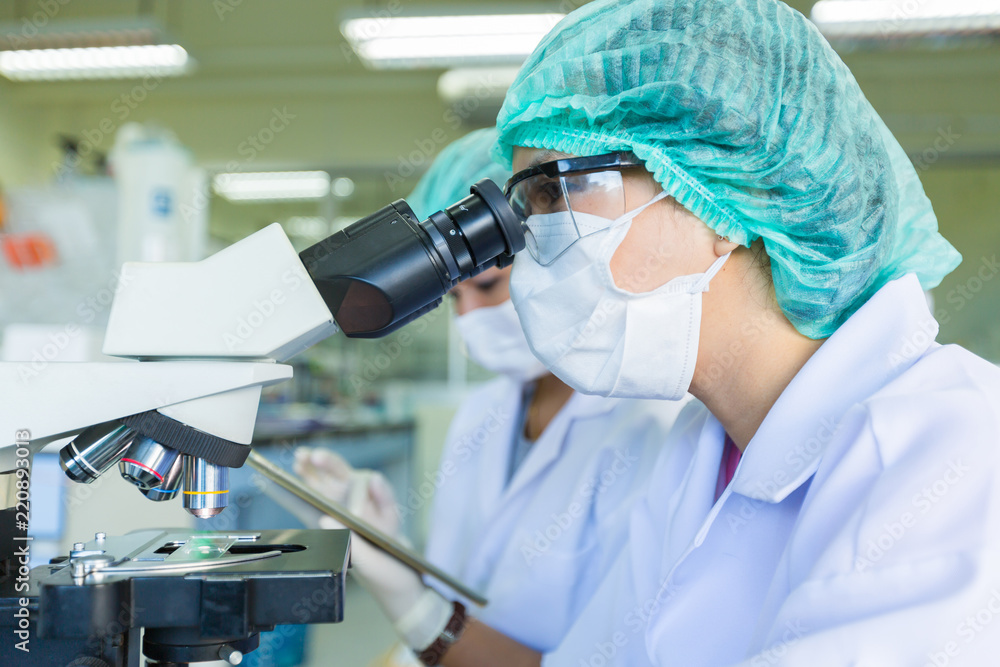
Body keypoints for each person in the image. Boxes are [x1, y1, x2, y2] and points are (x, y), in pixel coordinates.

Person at [296, 1, 1000, 664]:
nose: (533, 244)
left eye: (553, 192)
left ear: (719, 199)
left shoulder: (953, 449)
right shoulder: (699, 450)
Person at [293, 128, 686, 662]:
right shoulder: (483, 413)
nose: (472, 320)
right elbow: (456, 590)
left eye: (486, 288)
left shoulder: (650, 429)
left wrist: (413, 608)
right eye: (455, 301)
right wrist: (396, 554)